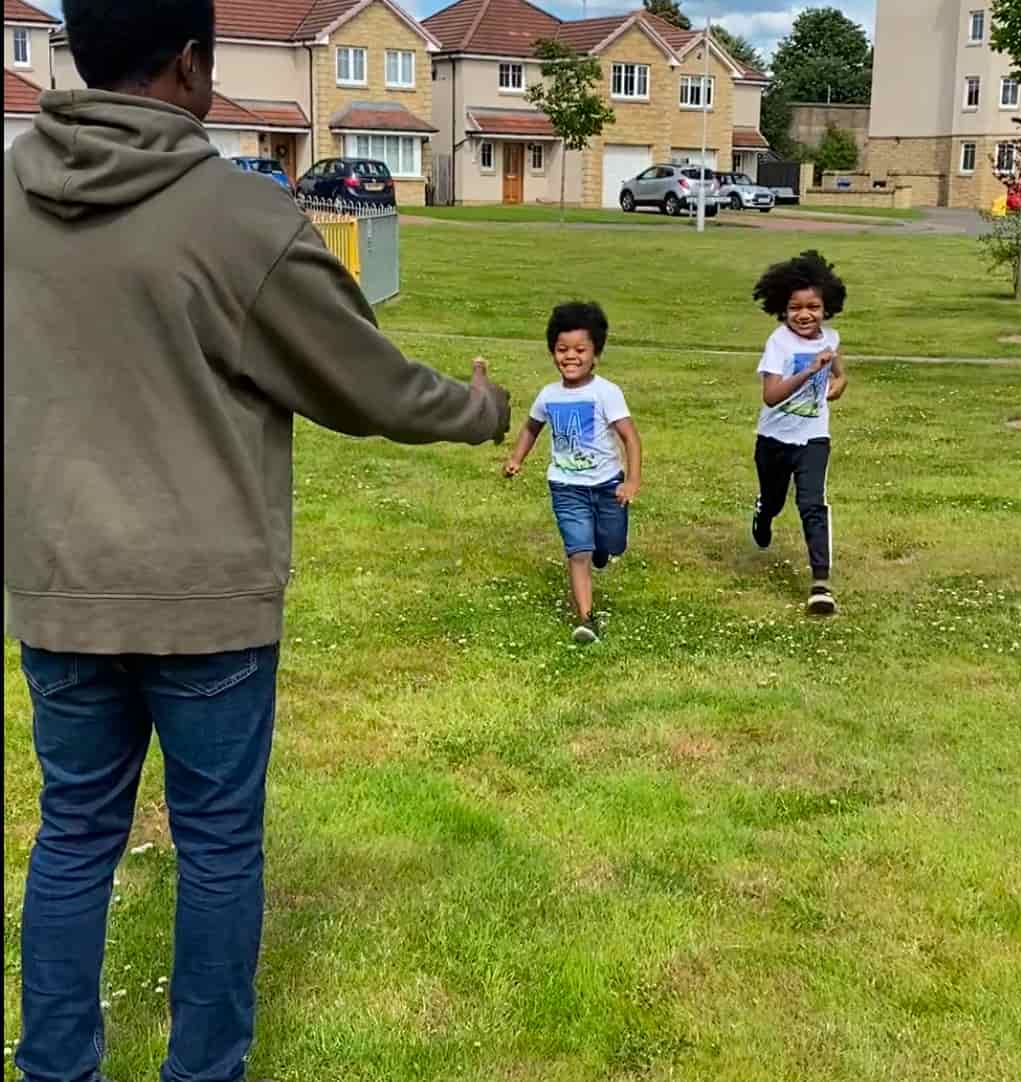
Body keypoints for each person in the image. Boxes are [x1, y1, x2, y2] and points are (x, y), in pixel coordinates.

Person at [3, 1, 511, 1079]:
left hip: (59, 589)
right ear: (189, 64)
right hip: (207, 604)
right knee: (218, 847)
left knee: (75, 837)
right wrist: (481, 408)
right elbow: (363, 381)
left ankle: (53, 1064)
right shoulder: (239, 218)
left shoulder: (9, 202)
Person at [503, 302, 642, 643]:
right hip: (566, 486)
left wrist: (632, 481)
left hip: (608, 484)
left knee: (612, 544)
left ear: (596, 353)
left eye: (580, 350)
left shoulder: (605, 392)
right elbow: (531, 428)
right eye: (562, 349)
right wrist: (516, 458)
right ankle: (586, 620)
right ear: (552, 352)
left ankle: (602, 549)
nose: (570, 357)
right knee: (577, 551)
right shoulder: (548, 395)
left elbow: (630, 437)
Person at [750, 250, 848, 615]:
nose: (804, 315)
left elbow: (838, 370)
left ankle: (821, 584)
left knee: (812, 504)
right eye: (795, 308)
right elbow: (771, 395)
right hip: (774, 439)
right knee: (775, 500)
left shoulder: (830, 339)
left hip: (813, 437)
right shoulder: (779, 343)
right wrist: (810, 370)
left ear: (827, 307)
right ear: (782, 308)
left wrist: (840, 380)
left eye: (813, 307)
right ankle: (763, 511)